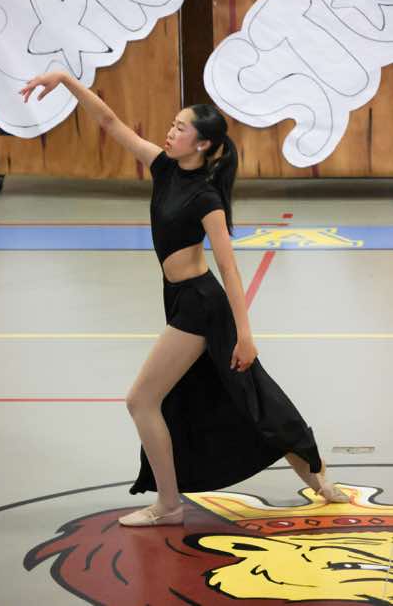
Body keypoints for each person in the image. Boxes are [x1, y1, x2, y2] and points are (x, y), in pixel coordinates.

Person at [20, 72, 350, 527]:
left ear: (202, 143)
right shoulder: (163, 167)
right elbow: (110, 121)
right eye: (172, 125)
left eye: (180, 128)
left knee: (142, 400)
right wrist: (64, 80)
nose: (170, 132)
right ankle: (320, 481)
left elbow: (229, 269)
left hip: (200, 305)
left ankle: (169, 505)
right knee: (249, 397)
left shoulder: (206, 198)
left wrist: (246, 335)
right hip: (178, 298)